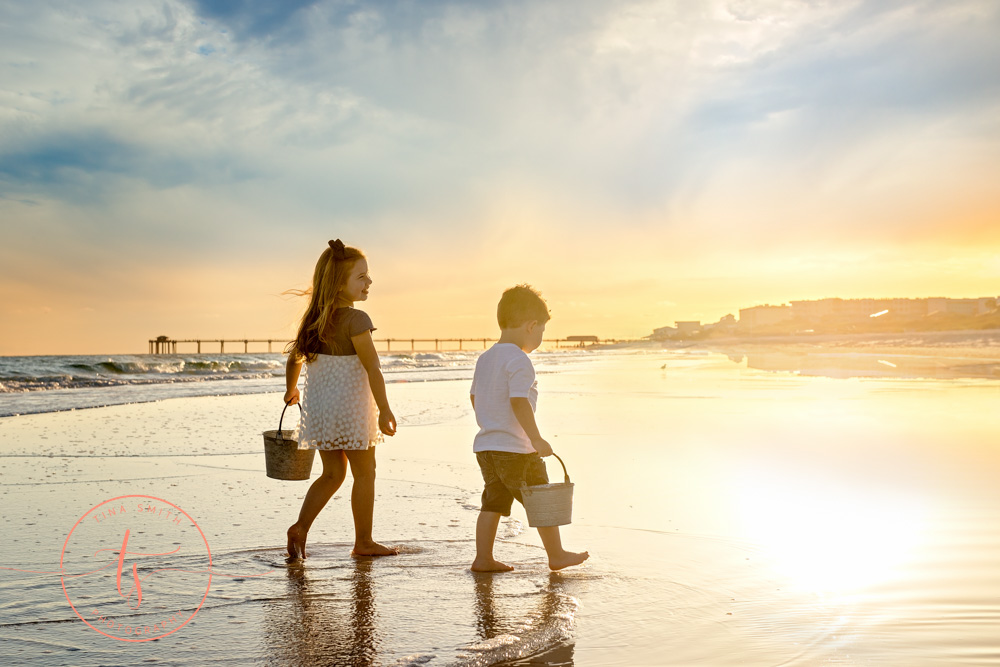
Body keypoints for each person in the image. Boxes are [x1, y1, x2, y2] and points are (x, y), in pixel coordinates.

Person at [283, 239, 398, 561]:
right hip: (351, 408)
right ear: (338, 284)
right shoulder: (356, 320)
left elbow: (294, 359)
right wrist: (385, 409)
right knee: (365, 472)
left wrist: (291, 390)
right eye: (361, 277)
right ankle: (364, 541)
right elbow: (372, 367)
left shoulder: (313, 319)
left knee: (332, 474)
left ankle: (300, 527)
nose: (369, 282)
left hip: (321, 409)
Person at [469, 285, 589, 572]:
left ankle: (483, 558)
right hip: (516, 450)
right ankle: (556, 554)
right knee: (540, 499)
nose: (541, 338)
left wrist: (491, 423)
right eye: (542, 331)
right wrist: (536, 439)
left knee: (493, 501)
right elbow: (519, 401)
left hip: (487, 447)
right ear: (531, 326)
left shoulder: (485, 358)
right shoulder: (520, 360)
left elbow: (475, 397)